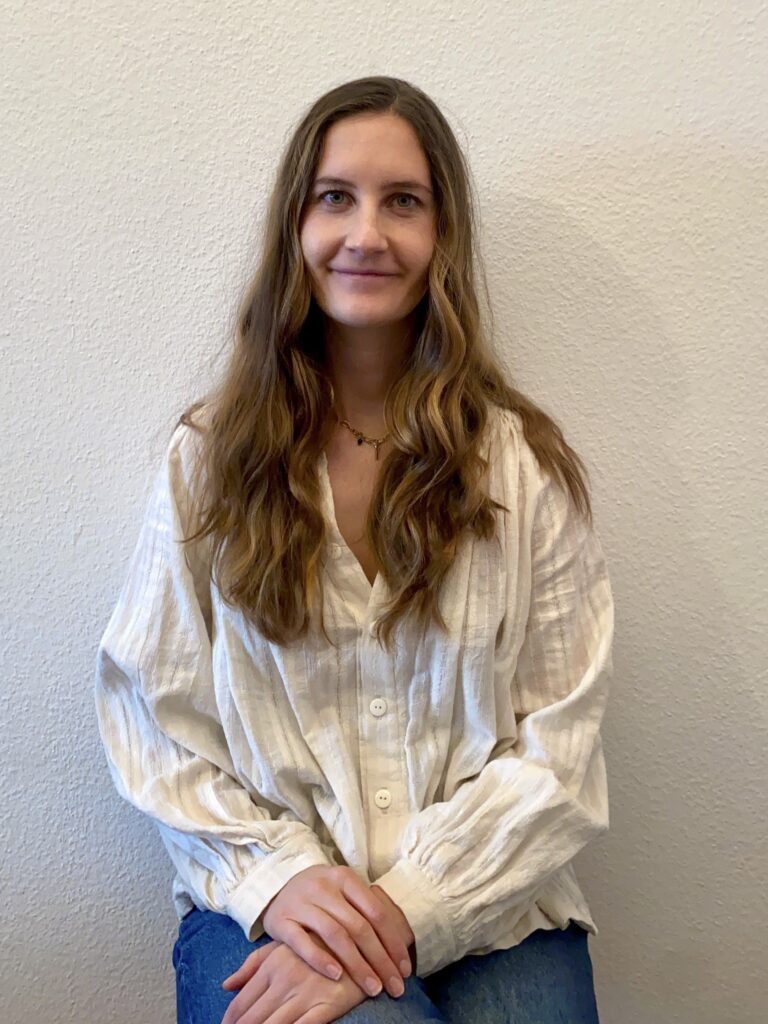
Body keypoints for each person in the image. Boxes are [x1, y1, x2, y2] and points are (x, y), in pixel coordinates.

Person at [93, 75, 614, 1024]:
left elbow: (560, 747)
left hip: (494, 903)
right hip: (268, 906)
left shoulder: (523, 469)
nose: (366, 233)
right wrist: (282, 881)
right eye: (336, 196)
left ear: (442, 235)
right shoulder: (209, 461)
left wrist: (407, 912)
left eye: (402, 201)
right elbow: (154, 713)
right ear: (295, 225)